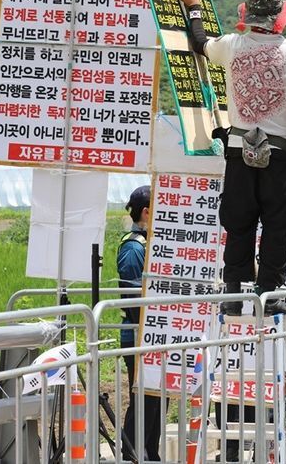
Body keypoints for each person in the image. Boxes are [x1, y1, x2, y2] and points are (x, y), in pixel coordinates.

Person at [177, 0, 286, 316]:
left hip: (239, 148)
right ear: (278, 15)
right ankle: (269, 294)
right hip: (281, 151)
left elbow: (199, 43)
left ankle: (232, 293)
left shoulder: (231, 45)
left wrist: (194, 6)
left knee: (239, 221)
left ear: (248, 12)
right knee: (276, 222)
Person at [118, 186, 164, 462]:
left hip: (156, 336)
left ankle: (150, 454)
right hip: (139, 336)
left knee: (158, 400)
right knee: (144, 401)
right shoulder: (134, 247)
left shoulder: (151, 242)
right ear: (147, 211)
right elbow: (134, 298)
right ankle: (133, 454)